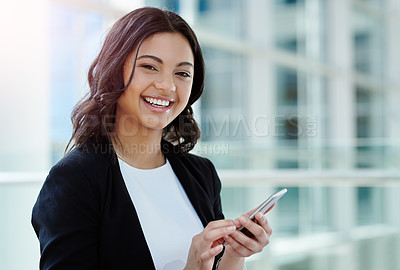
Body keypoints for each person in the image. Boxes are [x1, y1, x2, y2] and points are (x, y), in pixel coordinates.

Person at [31, 7, 272, 270]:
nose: (167, 86)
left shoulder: (202, 174)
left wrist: (236, 253)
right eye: (149, 66)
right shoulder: (74, 180)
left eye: (182, 73)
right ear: (114, 70)